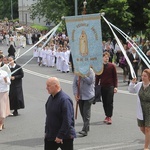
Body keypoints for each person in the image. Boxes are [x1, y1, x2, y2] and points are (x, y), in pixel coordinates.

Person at [45, 77, 76, 150]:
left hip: (64, 136)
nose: (46, 88)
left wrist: (60, 135)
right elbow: (49, 116)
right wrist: (47, 131)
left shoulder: (64, 100)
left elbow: (67, 120)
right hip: (51, 134)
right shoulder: (51, 98)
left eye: (48, 85)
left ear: (56, 86)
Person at [128, 69, 150, 150]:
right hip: (141, 109)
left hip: (149, 110)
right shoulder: (140, 85)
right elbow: (131, 90)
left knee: (148, 129)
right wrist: (132, 83)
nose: (143, 77)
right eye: (142, 76)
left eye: (145, 76)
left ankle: (146, 147)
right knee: (142, 128)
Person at [95, 52, 118, 124]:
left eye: (107, 57)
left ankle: (109, 116)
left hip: (110, 86)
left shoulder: (112, 66)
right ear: (102, 58)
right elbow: (97, 77)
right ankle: (106, 116)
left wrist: (116, 87)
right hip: (102, 86)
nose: (106, 58)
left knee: (109, 102)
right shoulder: (100, 66)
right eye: (105, 57)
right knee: (104, 102)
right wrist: (95, 86)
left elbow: (115, 77)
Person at [72, 68, 95, 136]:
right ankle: (86, 126)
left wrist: (83, 75)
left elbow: (90, 81)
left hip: (88, 96)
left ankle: (85, 130)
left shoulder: (90, 71)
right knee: (82, 113)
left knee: (86, 113)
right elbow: (74, 84)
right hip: (80, 96)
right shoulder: (77, 72)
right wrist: (75, 94)